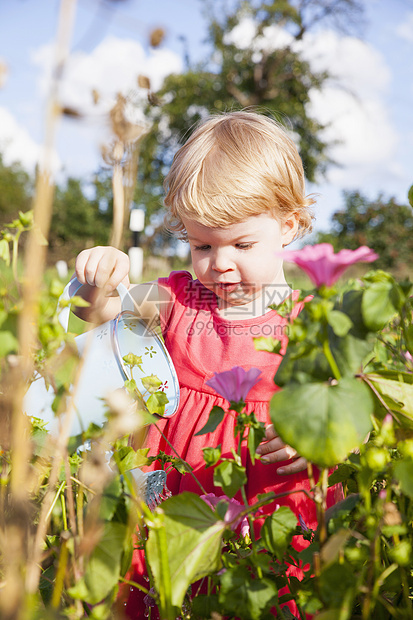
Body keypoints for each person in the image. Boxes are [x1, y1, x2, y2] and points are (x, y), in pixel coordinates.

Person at [74, 111, 342, 618]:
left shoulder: (312, 326)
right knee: (163, 593)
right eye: (202, 245)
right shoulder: (177, 296)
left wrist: (320, 434)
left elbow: (353, 410)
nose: (219, 263)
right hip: (175, 508)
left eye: (241, 244)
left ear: (288, 226)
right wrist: (100, 278)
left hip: (267, 512)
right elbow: (103, 316)